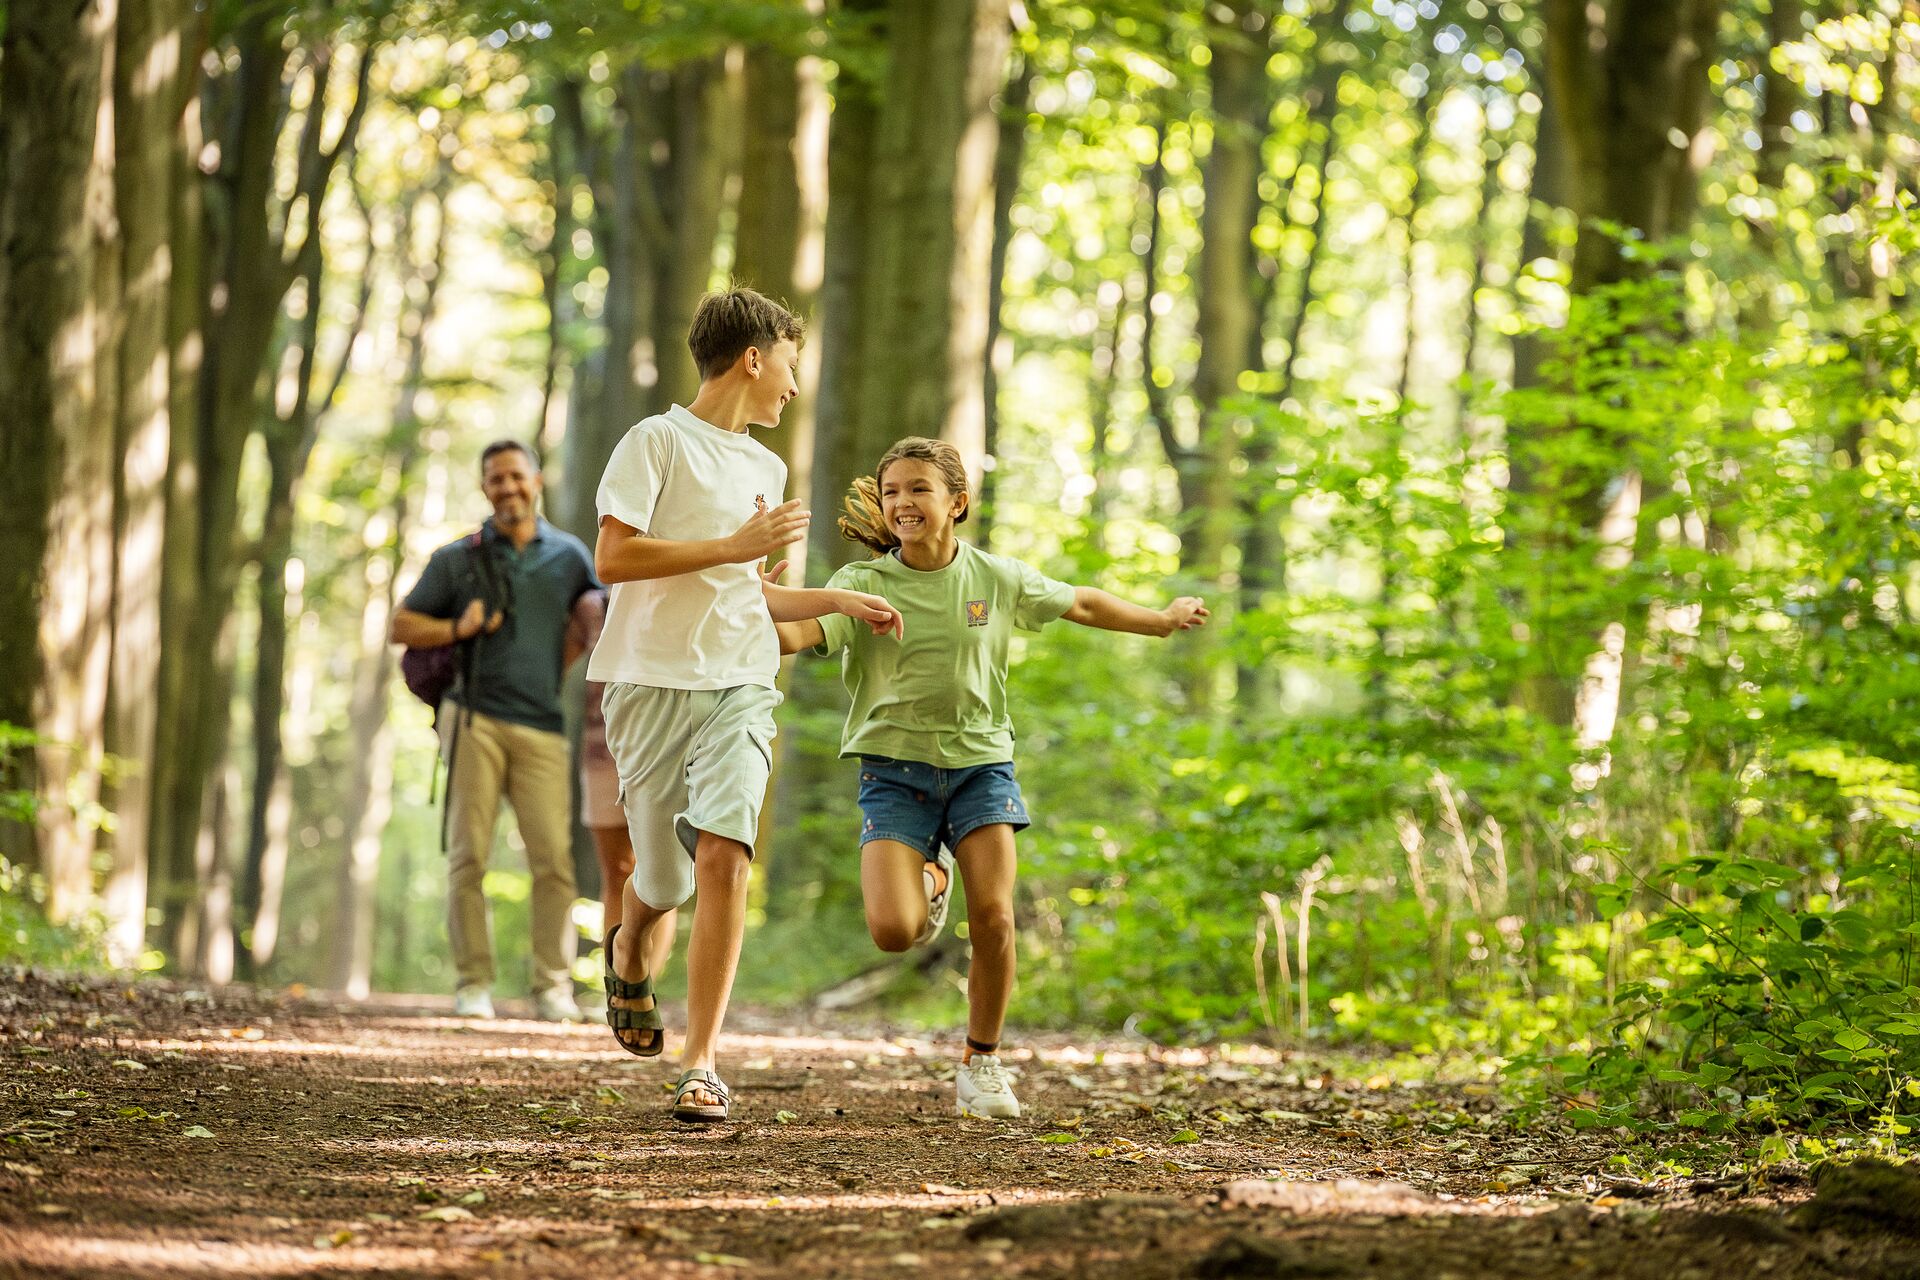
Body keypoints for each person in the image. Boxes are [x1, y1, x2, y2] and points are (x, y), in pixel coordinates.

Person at [771, 436, 1207, 1119]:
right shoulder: (860, 587)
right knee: (892, 930)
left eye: (918, 489)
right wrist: (762, 600)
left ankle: (983, 1062)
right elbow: (797, 637)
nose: (902, 503)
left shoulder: (996, 579)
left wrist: (1160, 621)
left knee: (997, 918)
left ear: (957, 502)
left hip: (980, 768)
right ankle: (932, 875)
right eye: (891, 493)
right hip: (894, 772)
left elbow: (1082, 604)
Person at [590, 286, 902, 1123]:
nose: (795, 387)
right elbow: (614, 559)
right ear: (755, 358)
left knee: (727, 853)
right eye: (790, 365)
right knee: (662, 879)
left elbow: (749, 597)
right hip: (649, 682)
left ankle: (702, 1062)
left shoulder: (767, 468)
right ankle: (628, 947)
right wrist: (732, 549)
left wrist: (836, 603)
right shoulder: (655, 441)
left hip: (740, 683)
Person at [391, 440, 599, 1022]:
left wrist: (553, 669)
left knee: (553, 861)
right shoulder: (458, 558)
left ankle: (552, 987)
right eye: (494, 480)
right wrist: (459, 626)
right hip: (473, 718)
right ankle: (473, 983)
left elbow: (591, 620)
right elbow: (400, 624)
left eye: (515, 477)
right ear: (485, 489)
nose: (506, 488)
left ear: (536, 479)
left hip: (542, 726)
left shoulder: (570, 556)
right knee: (468, 857)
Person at [568, 589, 677, 989]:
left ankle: (646, 983)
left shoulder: (678, 592)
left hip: (662, 748)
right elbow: (557, 665)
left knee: (661, 871)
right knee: (616, 872)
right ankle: (620, 987)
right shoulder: (591, 607)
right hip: (601, 753)